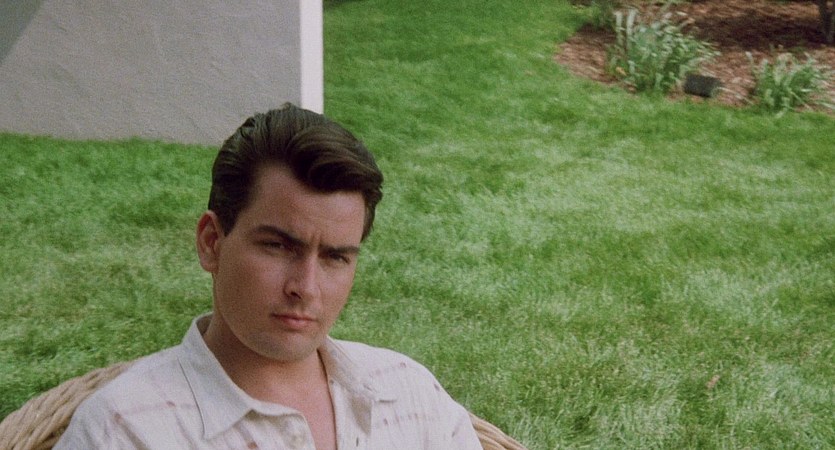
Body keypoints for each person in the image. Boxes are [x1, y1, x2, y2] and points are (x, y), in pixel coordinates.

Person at [55, 104, 482, 449]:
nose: (305, 288)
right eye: (277, 246)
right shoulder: (124, 431)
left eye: (335, 257)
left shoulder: (412, 395)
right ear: (211, 242)